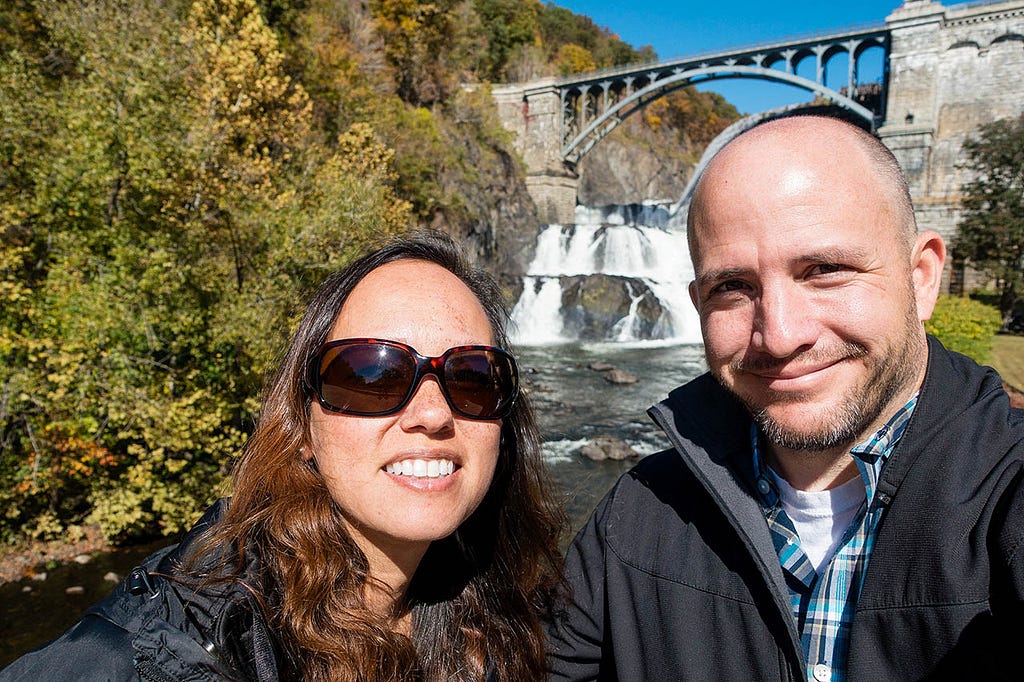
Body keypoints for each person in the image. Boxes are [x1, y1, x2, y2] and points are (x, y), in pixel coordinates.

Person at [547, 115, 1024, 680]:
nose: (778, 334)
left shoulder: (1007, 498)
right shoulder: (636, 517)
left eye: (824, 270)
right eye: (733, 287)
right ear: (698, 302)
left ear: (922, 278)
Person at [2, 231, 564, 681]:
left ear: (504, 422)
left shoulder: (514, 616)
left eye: (472, 378)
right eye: (372, 374)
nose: (434, 415)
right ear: (301, 424)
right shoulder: (145, 656)